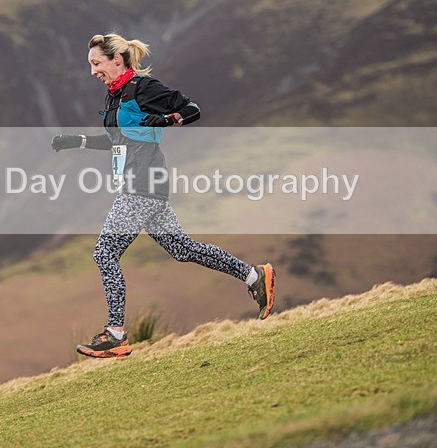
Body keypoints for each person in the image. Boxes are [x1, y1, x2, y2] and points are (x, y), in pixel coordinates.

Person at [52, 33, 276, 358]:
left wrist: (170, 119)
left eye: (96, 63)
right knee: (182, 249)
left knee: (105, 254)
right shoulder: (114, 97)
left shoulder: (144, 89)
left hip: (140, 187)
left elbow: (191, 109)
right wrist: (77, 141)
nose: (92, 72)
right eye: (90, 65)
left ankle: (115, 333)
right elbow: (118, 140)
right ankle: (254, 275)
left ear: (117, 59)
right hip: (145, 186)